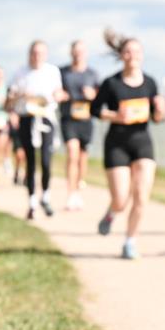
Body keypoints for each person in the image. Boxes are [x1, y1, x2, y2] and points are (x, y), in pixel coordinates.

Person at [94, 31, 165, 259]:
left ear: (142, 55)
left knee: (141, 196)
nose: (132, 55)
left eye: (136, 51)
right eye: (127, 51)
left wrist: (161, 111)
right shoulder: (111, 83)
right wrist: (116, 116)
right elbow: (95, 110)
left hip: (142, 142)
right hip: (116, 143)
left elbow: (156, 117)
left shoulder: (150, 83)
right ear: (121, 55)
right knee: (120, 198)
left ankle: (130, 241)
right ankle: (111, 212)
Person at [9, 40, 64, 219]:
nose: (37, 56)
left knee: (46, 161)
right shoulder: (20, 72)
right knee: (30, 161)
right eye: (34, 52)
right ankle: (32, 201)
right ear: (29, 54)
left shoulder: (52, 71)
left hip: (46, 118)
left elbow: (60, 93)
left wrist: (56, 96)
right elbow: (10, 99)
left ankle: (45, 196)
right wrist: (19, 96)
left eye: (40, 53)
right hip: (27, 118)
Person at [59, 40, 100, 210]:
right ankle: (71, 193)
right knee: (72, 153)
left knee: (83, 157)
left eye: (81, 51)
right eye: (75, 51)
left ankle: (79, 186)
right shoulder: (62, 72)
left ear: (86, 53)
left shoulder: (93, 74)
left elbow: (101, 95)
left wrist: (93, 95)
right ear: (71, 53)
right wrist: (60, 94)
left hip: (86, 119)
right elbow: (55, 89)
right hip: (69, 117)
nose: (78, 54)